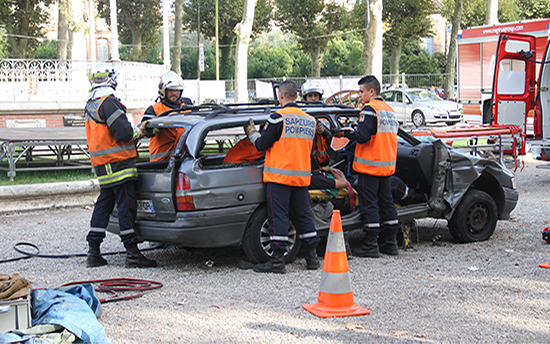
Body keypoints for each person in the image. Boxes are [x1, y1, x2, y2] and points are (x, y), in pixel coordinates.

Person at [84, 62, 157, 268]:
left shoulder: (91, 103)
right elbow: (124, 133)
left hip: (102, 165)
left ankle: (93, 251)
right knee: (126, 206)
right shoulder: (109, 102)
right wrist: (140, 131)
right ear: (111, 78)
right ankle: (133, 253)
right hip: (119, 164)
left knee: (104, 204)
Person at [245, 80, 321, 273]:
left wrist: (252, 133)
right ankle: (312, 258)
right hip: (301, 178)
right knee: (304, 216)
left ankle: (277, 261)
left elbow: (262, 144)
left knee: (278, 217)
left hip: (279, 178)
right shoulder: (309, 120)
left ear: (280, 96)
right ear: (297, 95)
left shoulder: (278, 118)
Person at [333, 75, 400, 258]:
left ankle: (371, 244)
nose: (360, 96)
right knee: (387, 203)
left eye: (362, 92)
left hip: (369, 167)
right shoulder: (389, 111)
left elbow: (363, 137)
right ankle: (391, 242)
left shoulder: (370, 109)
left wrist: (348, 133)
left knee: (369, 204)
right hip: (386, 167)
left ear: (372, 91)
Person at [141, 71, 190, 162]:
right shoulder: (153, 110)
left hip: (183, 161)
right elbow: (144, 132)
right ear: (164, 90)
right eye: (171, 90)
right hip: (160, 162)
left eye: (177, 90)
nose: (175, 93)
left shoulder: (187, 108)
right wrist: (164, 122)